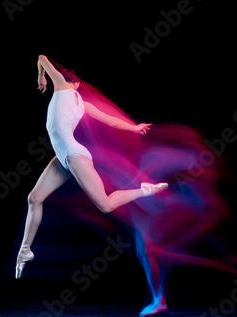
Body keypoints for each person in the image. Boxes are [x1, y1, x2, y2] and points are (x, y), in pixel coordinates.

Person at [15, 55, 168, 284]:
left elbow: (41, 58)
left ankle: (146, 190)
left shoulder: (63, 87)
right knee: (34, 198)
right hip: (64, 156)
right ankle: (26, 249)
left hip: (75, 155)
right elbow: (112, 121)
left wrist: (41, 77)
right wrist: (134, 128)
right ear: (76, 83)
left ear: (68, 81)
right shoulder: (80, 102)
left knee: (105, 205)